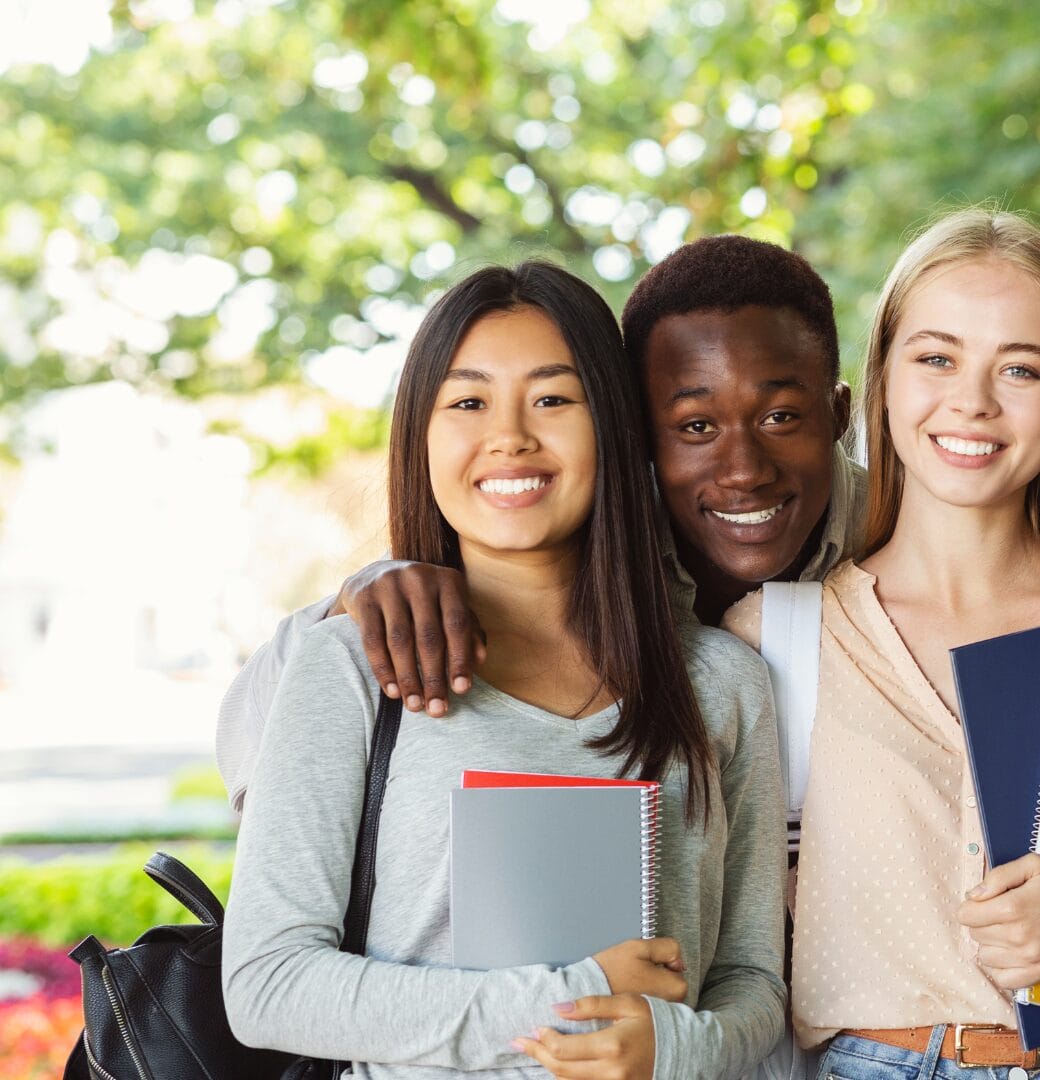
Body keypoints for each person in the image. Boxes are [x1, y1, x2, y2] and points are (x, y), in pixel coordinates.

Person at [221, 261, 786, 1079]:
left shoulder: (723, 683)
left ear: (616, 428)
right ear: (422, 431)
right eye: (468, 402)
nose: (511, 436)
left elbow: (752, 979)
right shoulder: (350, 665)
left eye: (554, 399)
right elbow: (266, 984)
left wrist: (677, 1044)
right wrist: (571, 998)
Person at [722, 209, 1040, 1078]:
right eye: (936, 358)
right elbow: (732, 951)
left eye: (1022, 368)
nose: (972, 401)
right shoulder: (775, 640)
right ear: (881, 378)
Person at [214, 237, 865, 808]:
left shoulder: (905, 535)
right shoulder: (566, 544)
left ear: (838, 414)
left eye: (781, 418)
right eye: (694, 427)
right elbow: (253, 767)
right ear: (635, 432)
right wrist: (354, 603)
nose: (744, 469)